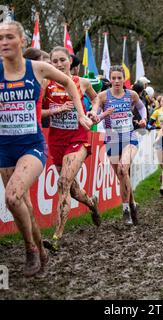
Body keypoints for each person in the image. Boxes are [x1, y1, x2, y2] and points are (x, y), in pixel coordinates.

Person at [0, 21, 92, 277]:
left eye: (9, 37)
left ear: (22, 41)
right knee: (23, 206)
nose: (4, 42)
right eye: (0, 38)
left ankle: (29, 248)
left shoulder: (38, 68)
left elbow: (70, 82)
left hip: (31, 145)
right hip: (4, 147)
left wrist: (82, 113)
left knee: (12, 196)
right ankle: (40, 250)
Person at [41, 46, 108, 251]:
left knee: (62, 182)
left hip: (78, 139)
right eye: (55, 61)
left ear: (71, 62)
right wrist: (56, 110)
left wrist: (94, 111)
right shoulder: (46, 83)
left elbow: (96, 98)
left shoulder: (82, 82)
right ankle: (91, 203)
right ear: (50, 63)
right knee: (73, 189)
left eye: (63, 60)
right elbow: (38, 111)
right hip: (56, 140)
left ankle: (56, 237)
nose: (59, 64)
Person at [89, 65, 147, 226]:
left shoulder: (131, 95)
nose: (116, 81)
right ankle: (133, 205)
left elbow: (142, 109)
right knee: (121, 177)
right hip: (112, 139)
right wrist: (102, 114)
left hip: (130, 138)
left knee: (123, 168)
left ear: (124, 79)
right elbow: (95, 117)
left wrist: (144, 120)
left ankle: (126, 210)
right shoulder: (102, 97)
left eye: (119, 78)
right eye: (113, 78)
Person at [147, 95, 163, 195]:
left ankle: (162, 186)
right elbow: (149, 125)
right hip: (158, 138)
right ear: (160, 102)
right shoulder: (157, 112)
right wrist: (156, 127)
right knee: (161, 162)